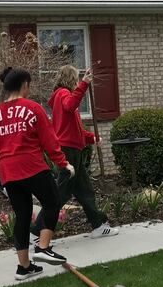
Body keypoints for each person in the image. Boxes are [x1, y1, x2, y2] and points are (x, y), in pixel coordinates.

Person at [0, 67, 75, 280]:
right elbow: (49, 140)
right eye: (29, 85)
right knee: (52, 203)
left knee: (23, 215)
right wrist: (63, 163)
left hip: (8, 172)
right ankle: (43, 248)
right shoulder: (32, 108)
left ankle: (24, 267)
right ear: (24, 85)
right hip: (31, 166)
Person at [31, 65, 118, 241]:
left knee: (85, 190)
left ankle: (98, 225)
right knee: (60, 194)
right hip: (68, 151)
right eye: (76, 78)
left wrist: (91, 138)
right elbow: (70, 106)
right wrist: (84, 85)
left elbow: (74, 128)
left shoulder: (61, 97)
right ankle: (37, 231)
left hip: (71, 149)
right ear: (71, 78)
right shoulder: (63, 94)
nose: (78, 81)